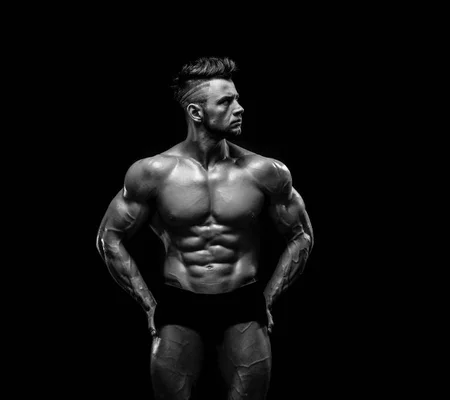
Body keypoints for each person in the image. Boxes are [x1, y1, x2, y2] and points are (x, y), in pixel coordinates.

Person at [95, 56, 314, 400]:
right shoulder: (154, 172)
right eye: (226, 101)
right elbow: (110, 236)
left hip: (242, 303)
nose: (240, 108)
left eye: (237, 98)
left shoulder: (265, 171)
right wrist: (148, 303)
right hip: (180, 304)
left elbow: (301, 235)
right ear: (197, 112)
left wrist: (267, 298)